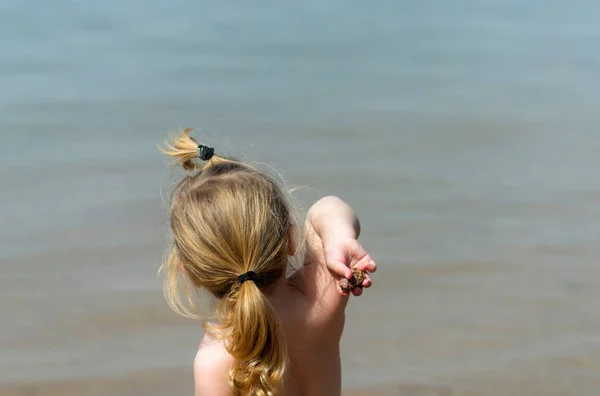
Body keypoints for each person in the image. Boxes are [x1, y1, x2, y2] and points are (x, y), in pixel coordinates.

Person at [160, 129, 377, 396]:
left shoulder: (213, 361)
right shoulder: (324, 298)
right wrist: (339, 236)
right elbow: (328, 207)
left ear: (191, 273)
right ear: (291, 239)